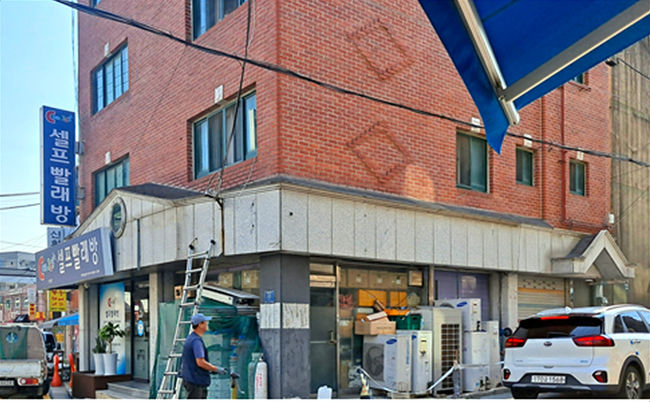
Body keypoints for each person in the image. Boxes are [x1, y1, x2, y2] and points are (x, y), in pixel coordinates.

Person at [180, 313, 228, 399]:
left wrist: (210, 369)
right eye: (205, 322)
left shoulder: (191, 338)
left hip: (193, 379)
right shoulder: (196, 341)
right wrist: (216, 369)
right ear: (200, 324)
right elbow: (200, 362)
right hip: (196, 381)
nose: (207, 323)